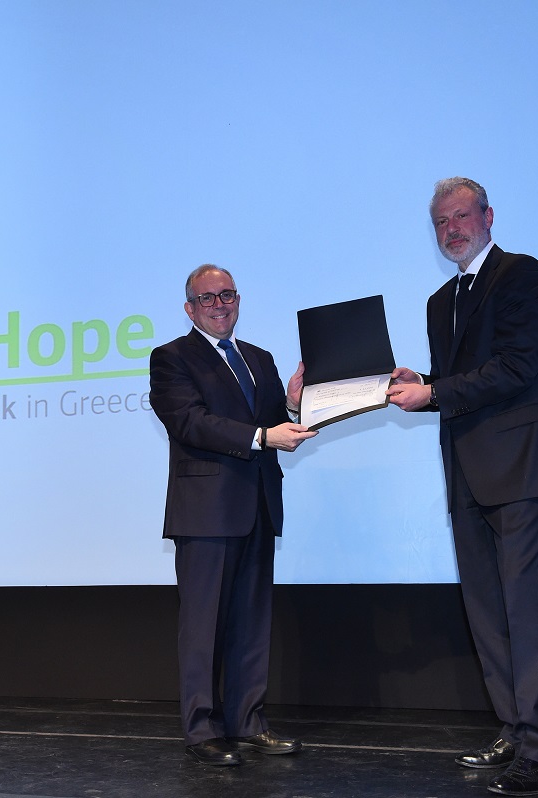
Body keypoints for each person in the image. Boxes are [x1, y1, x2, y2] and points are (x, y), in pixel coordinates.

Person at [388, 178, 538, 796]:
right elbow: (461, 380)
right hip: (465, 471)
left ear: (488, 216)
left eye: (461, 216)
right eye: (441, 222)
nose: (452, 230)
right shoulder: (441, 301)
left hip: (518, 465)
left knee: (525, 613)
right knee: (487, 614)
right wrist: (421, 383)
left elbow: (518, 367)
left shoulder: (523, 275)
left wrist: (435, 391)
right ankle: (513, 729)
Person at [149, 263, 316, 766]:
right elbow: (190, 423)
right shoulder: (171, 358)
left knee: (251, 622)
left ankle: (248, 723)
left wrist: (291, 406)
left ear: (238, 300)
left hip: (258, 504)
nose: (219, 305)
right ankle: (201, 730)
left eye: (227, 295)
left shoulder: (259, 359)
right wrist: (264, 436)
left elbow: (272, 425)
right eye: (207, 298)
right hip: (206, 511)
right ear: (189, 308)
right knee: (203, 628)